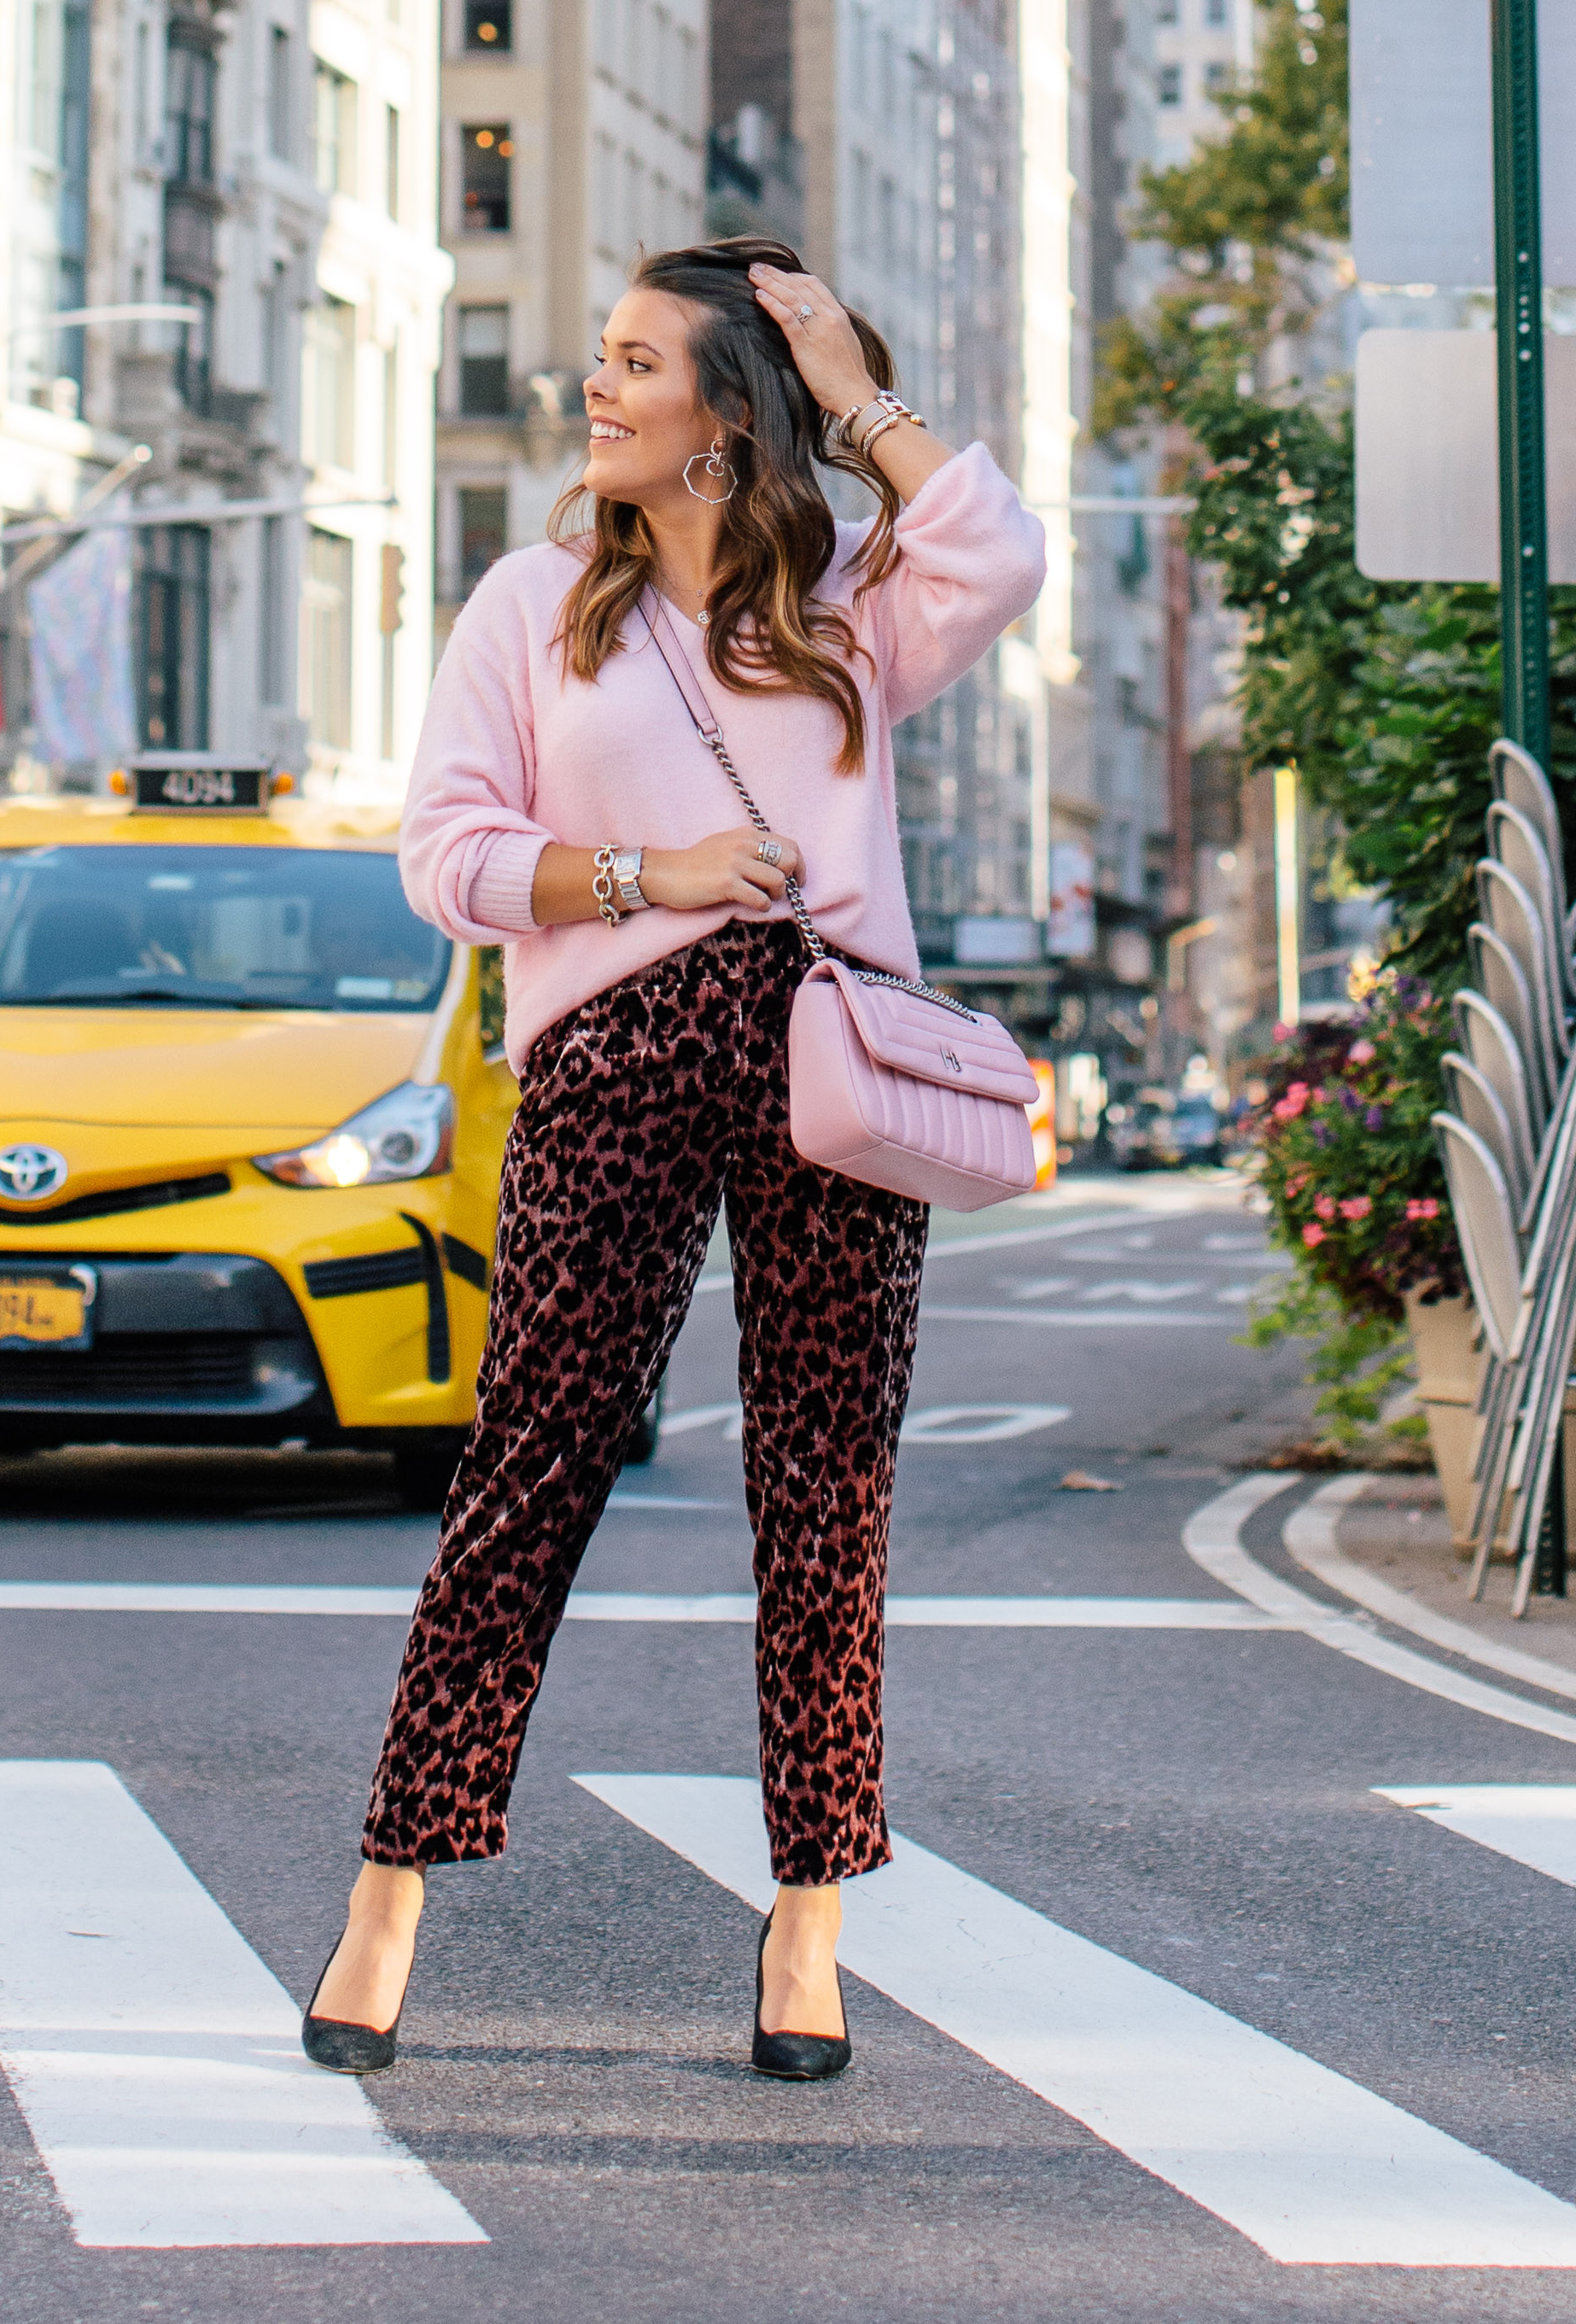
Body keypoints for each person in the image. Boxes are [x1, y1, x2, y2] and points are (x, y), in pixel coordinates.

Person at [302, 240, 1046, 2085]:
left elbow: (1001, 550)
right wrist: (653, 875)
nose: (595, 384)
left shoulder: (849, 602)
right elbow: (446, 856)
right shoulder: (533, 600)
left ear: (725, 412)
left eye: (637, 359)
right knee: (525, 1468)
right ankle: (387, 1888)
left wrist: (845, 373)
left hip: (830, 1056)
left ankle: (810, 1920)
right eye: (596, 352)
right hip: (613, 1047)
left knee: (825, 1494)